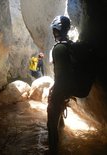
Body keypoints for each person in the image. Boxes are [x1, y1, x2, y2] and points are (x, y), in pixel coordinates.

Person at [47, 15, 73, 155]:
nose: (53, 33)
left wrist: (55, 92)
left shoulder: (58, 48)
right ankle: (62, 138)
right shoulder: (70, 45)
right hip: (68, 88)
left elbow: (61, 75)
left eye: (54, 30)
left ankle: (54, 149)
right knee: (59, 114)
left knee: (51, 121)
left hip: (61, 89)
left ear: (57, 31)